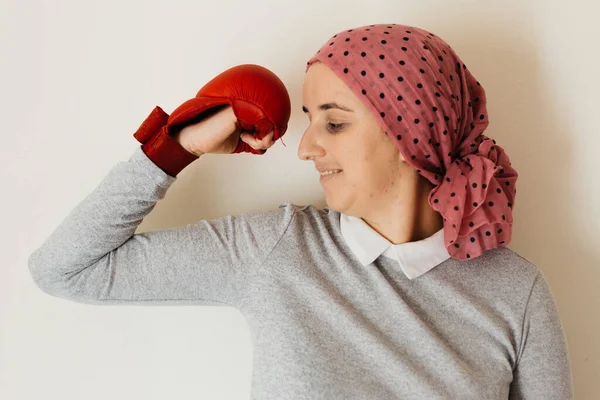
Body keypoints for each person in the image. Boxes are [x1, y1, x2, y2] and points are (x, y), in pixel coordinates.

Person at [27, 24, 574, 399]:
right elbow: (66, 269)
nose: (307, 148)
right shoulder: (279, 247)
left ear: (412, 133)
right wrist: (176, 148)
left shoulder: (514, 290)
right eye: (310, 120)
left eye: (333, 123)